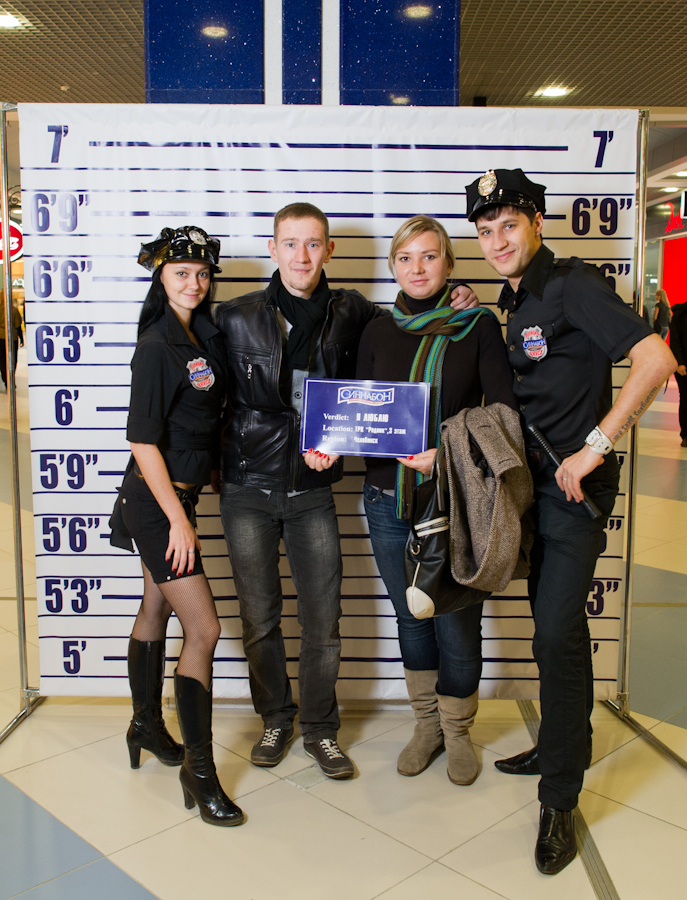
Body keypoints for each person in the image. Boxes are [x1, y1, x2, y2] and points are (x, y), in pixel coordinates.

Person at [214, 202, 475, 779]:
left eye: (313, 244)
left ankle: (320, 729)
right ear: (273, 248)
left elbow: (410, 325)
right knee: (259, 617)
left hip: (313, 486)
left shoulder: (355, 312)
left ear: (329, 250)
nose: (301, 256)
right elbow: (206, 395)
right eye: (290, 243)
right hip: (247, 484)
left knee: (323, 619)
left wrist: (458, 298)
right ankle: (275, 718)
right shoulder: (233, 317)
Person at [465, 169, 676, 874]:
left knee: (556, 631)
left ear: (537, 223)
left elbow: (655, 359)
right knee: (554, 630)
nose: (497, 240)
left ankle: (559, 797)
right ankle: (563, 741)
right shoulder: (514, 297)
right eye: (485, 230)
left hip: (574, 489)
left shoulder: (574, 284)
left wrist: (595, 446)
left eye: (509, 225)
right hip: (533, 488)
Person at [355, 215, 517, 786]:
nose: (417, 268)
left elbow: (503, 413)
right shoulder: (376, 330)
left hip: (455, 501)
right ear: (393, 266)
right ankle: (426, 726)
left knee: (456, 620)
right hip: (386, 499)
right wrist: (328, 442)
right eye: (405, 258)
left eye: (429, 256)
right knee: (411, 616)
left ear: (449, 264)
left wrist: (443, 455)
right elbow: (357, 409)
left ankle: (458, 730)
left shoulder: (477, 325)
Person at [110, 226, 244, 826]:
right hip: (154, 503)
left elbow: (196, 417)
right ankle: (200, 770)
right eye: (181, 272)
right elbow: (142, 441)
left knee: (155, 606)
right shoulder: (156, 346)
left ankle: (144, 723)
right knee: (205, 628)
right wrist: (177, 522)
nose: (194, 283)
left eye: (202, 273)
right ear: (160, 277)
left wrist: (206, 468)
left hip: (175, 498)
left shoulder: (202, 336)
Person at [669, 298, 687, 446]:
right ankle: (686, 435)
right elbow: (675, 340)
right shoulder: (680, 313)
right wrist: (680, 363)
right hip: (684, 367)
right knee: (686, 399)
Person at [0, 291, 23, 389]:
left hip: (0, 337)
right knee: (12, 360)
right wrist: (21, 338)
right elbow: (18, 326)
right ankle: (10, 380)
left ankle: (5, 379)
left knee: (2, 360)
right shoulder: (13, 310)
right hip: (11, 338)